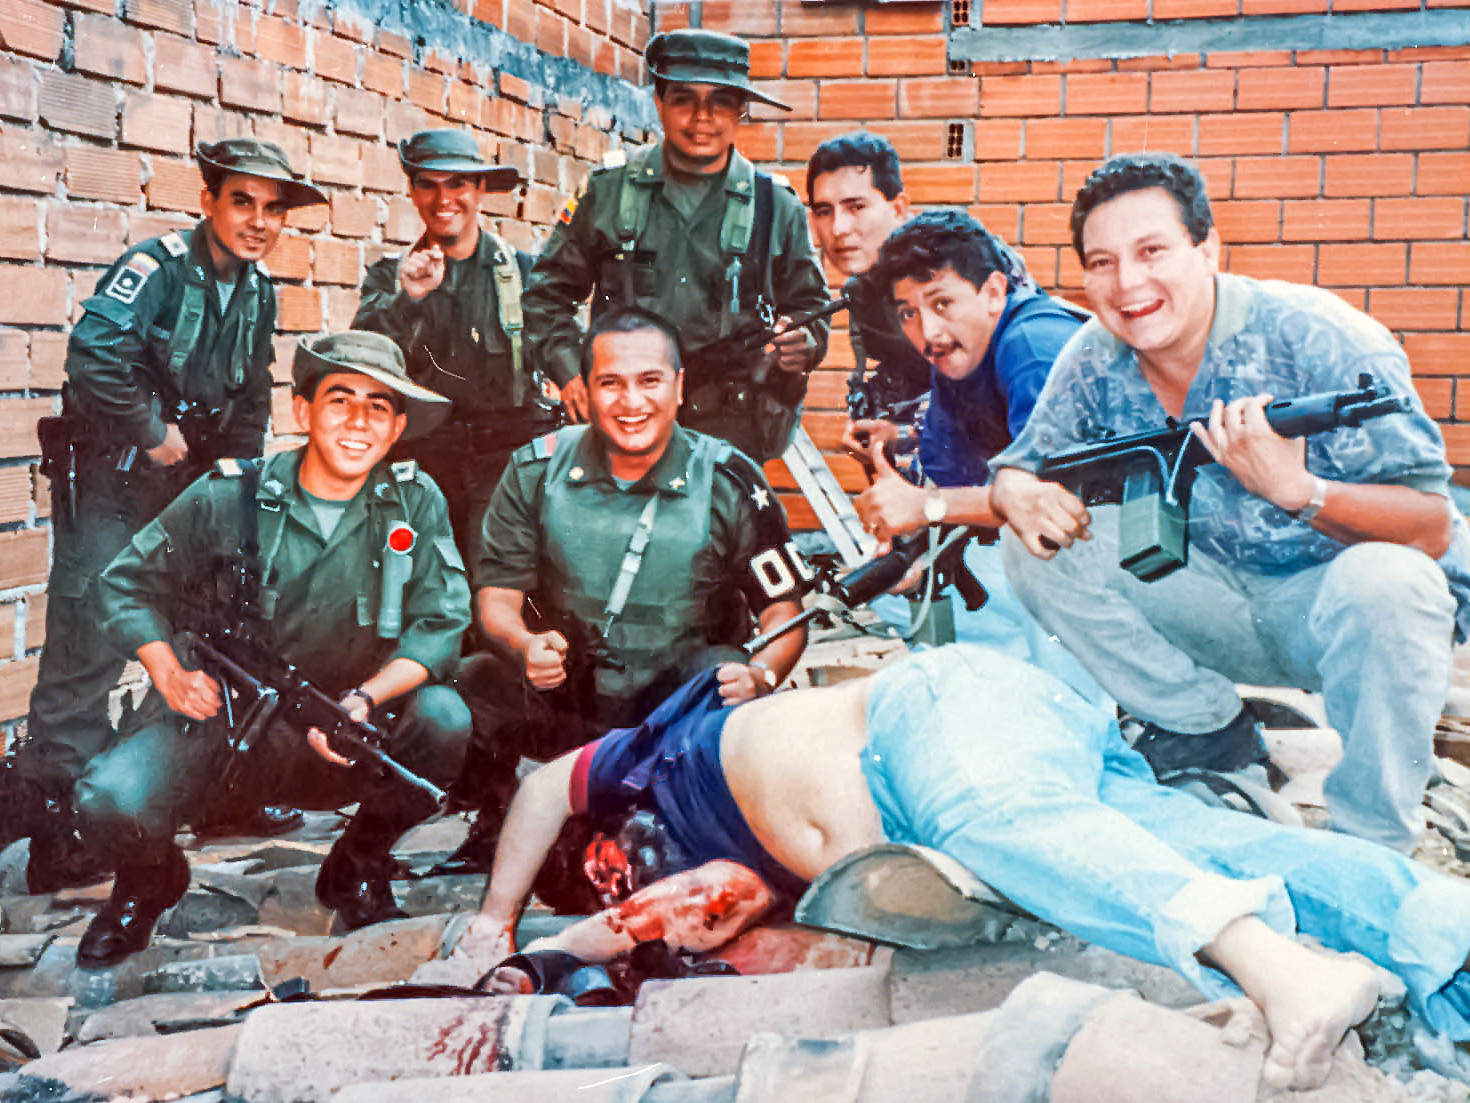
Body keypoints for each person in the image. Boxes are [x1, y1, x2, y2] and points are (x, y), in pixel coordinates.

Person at [428, 644, 1470, 1093]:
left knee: (1001, 821)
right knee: (1213, 850)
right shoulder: (736, 888)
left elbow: (542, 785)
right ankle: (1449, 949)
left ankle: (1276, 967)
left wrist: (500, 926)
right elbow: (696, 915)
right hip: (991, 751)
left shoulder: (649, 756)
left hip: (928, 723)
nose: (627, 888)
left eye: (604, 865)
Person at [990, 152, 1470, 853]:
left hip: (1333, 609)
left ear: (1208, 248)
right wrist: (1014, 489)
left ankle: (1375, 837)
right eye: (1102, 262)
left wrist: (1302, 492)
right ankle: (1207, 730)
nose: (1128, 283)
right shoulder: (1094, 355)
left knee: (1395, 582)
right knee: (1037, 544)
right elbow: (1022, 465)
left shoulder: (1320, 337)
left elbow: (1431, 526)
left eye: (1152, 251)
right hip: (1214, 602)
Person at [69, 331, 473, 966]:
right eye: (340, 400)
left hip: (347, 730)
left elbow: (441, 621)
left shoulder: (414, 502)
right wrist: (167, 671)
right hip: (224, 726)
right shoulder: (230, 495)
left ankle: (358, 865)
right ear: (303, 411)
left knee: (446, 718)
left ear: (397, 428)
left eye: (378, 407)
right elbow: (123, 584)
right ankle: (148, 881)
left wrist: (366, 699)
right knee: (110, 797)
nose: (358, 422)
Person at [1, 140, 327, 891]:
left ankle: (206, 791)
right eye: (241, 201)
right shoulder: (156, 269)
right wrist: (151, 432)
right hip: (115, 485)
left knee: (211, 634)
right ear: (209, 200)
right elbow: (93, 353)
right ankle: (56, 834)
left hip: (184, 494)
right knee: (89, 644)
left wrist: (239, 494)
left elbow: (251, 398)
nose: (258, 220)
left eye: (273, 208)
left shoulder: (257, 292)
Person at [436, 308, 809, 875]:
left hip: (675, 701)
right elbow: (497, 600)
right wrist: (523, 644)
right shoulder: (536, 470)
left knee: (721, 678)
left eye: (649, 381)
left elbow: (786, 614)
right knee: (473, 681)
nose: (631, 402)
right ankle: (496, 819)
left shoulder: (730, 479)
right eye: (610, 383)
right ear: (584, 390)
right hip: (569, 692)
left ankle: (681, 821)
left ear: (679, 386)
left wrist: (762, 674)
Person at [522, 29, 831, 463]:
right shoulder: (608, 191)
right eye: (685, 99)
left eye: (721, 101)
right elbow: (545, 294)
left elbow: (811, 307)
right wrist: (572, 373)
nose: (703, 118)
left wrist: (802, 341)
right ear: (659, 102)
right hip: (624, 421)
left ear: (741, 110)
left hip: (728, 431)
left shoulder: (775, 205)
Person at [848, 209, 1104, 702]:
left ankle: (1080, 708)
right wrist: (914, 548)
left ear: (993, 292)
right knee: (899, 593)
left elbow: (1053, 504)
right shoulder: (957, 358)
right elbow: (947, 482)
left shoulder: (1032, 346)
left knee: (1041, 561)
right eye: (908, 313)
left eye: (942, 303)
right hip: (1087, 543)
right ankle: (1021, 685)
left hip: (1156, 553)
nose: (928, 331)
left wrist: (923, 507)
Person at [353, 128, 559, 560]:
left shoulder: (523, 273)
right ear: (412, 192)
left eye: (457, 184)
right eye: (427, 184)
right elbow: (362, 359)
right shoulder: (389, 277)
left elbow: (561, 355)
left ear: (480, 188)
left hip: (503, 466)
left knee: (496, 580)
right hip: (420, 463)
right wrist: (408, 298)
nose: (443, 199)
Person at [804, 131, 929, 470]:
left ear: (898, 209)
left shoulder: (948, 271)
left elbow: (993, 395)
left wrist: (908, 434)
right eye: (824, 211)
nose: (839, 229)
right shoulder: (863, 290)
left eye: (856, 207)